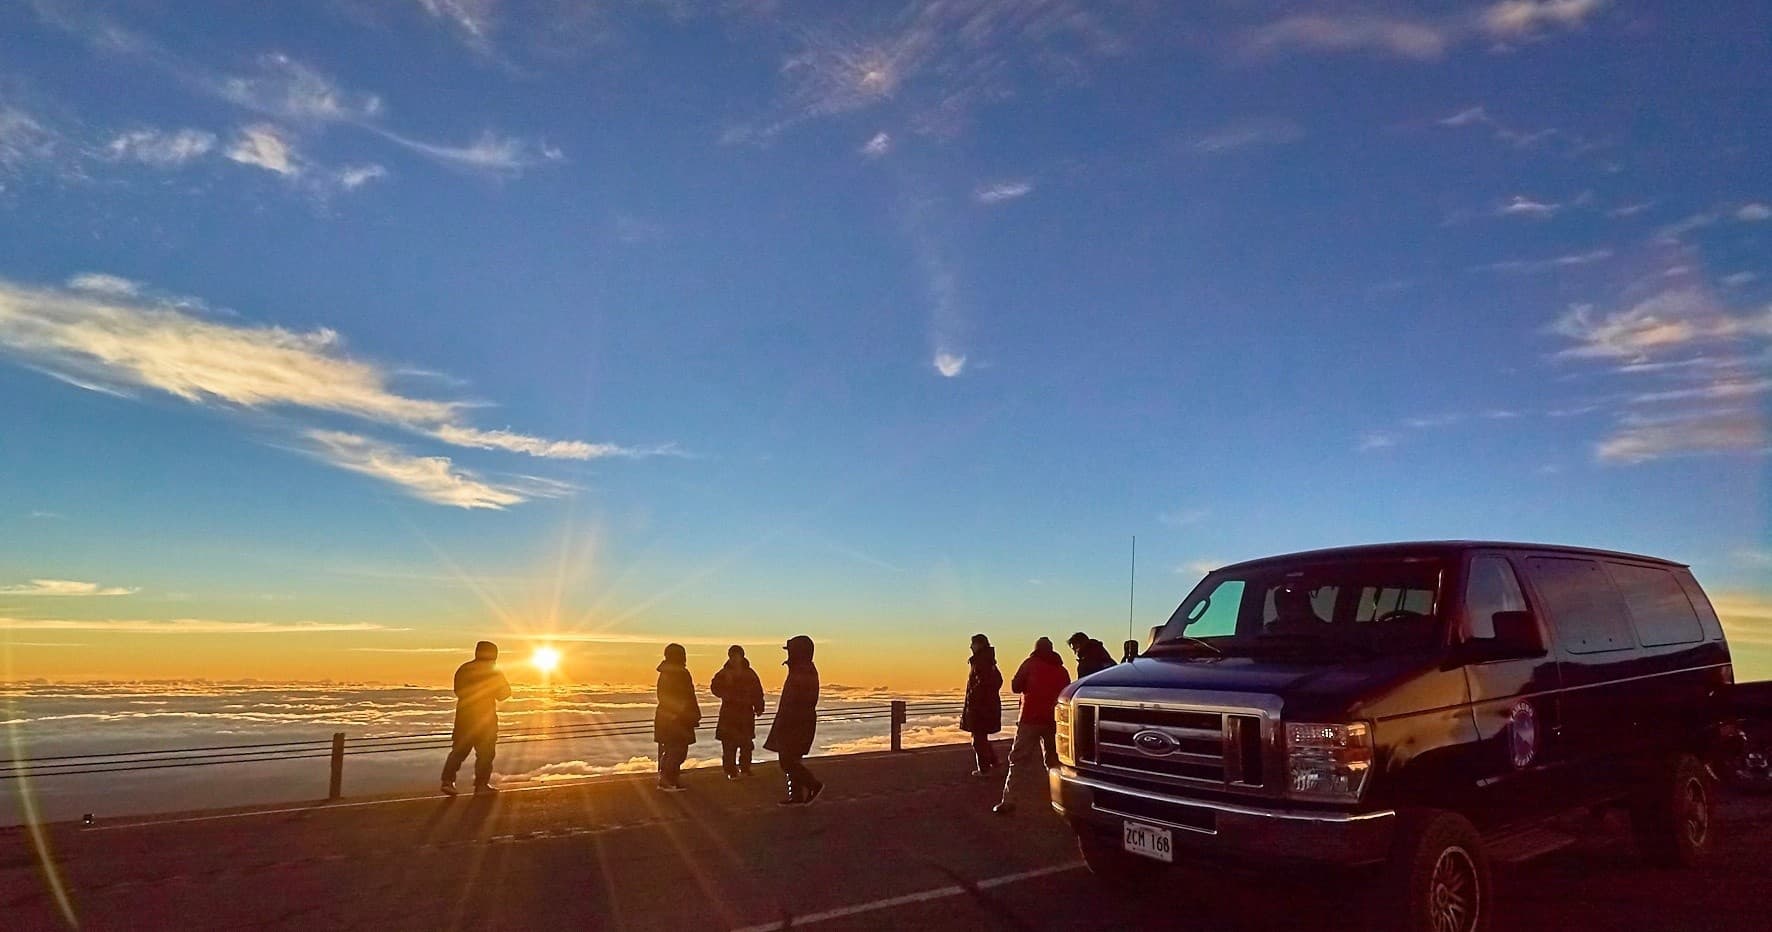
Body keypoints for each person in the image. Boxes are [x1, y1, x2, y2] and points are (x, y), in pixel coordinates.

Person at [994, 637, 1071, 814]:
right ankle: (1060, 799)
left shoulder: (1030, 664)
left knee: (1018, 760)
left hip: (1030, 717)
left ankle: (1009, 800)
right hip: (1053, 719)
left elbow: (1015, 686)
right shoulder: (1062, 669)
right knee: (1054, 760)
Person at [441, 640, 511, 796]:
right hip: (486, 719)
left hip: (464, 718)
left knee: (458, 751)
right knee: (486, 754)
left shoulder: (464, 669)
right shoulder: (494, 672)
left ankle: (447, 781)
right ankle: (481, 785)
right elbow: (504, 695)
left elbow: (459, 691)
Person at [764, 635, 823, 806]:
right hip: (797, 721)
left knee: (787, 760)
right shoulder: (803, 669)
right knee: (791, 758)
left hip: (796, 722)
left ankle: (813, 785)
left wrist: (788, 718)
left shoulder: (803, 671)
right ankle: (796, 796)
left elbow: (799, 699)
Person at [710, 644, 766, 779]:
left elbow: (758, 691)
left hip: (745, 713)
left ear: (742, 656)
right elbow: (714, 687)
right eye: (732, 656)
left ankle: (745, 768)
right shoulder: (723, 673)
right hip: (729, 713)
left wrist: (759, 706)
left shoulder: (750, 673)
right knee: (729, 745)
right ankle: (731, 770)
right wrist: (726, 694)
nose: (734, 659)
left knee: (746, 744)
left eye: (736, 656)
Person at [654, 643, 701, 793]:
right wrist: (681, 712)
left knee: (672, 749)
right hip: (677, 719)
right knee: (676, 750)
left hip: (670, 717)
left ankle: (670, 779)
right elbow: (684, 696)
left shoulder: (668, 673)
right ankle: (667, 781)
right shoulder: (679, 673)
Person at [960, 634, 1003, 777]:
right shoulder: (988, 661)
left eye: (972, 644)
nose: (970, 647)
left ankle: (985, 769)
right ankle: (993, 762)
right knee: (981, 736)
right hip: (986, 706)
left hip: (980, 707)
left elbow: (983, 684)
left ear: (979, 645)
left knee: (977, 739)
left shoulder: (981, 662)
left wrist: (974, 697)